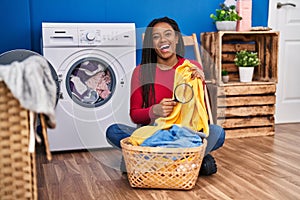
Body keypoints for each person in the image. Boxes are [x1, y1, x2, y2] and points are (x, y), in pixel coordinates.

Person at [106, 16, 225, 176]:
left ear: (176, 38)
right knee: (113, 131)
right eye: (156, 36)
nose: (163, 40)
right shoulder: (141, 72)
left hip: (186, 132)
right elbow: (135, 115)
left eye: (168, 34)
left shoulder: (191, 68)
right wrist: (154, 110)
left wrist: (201, 86)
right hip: (153, 132)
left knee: (218, 132)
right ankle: (192, 160)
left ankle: (142, 160)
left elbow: (200, 115)